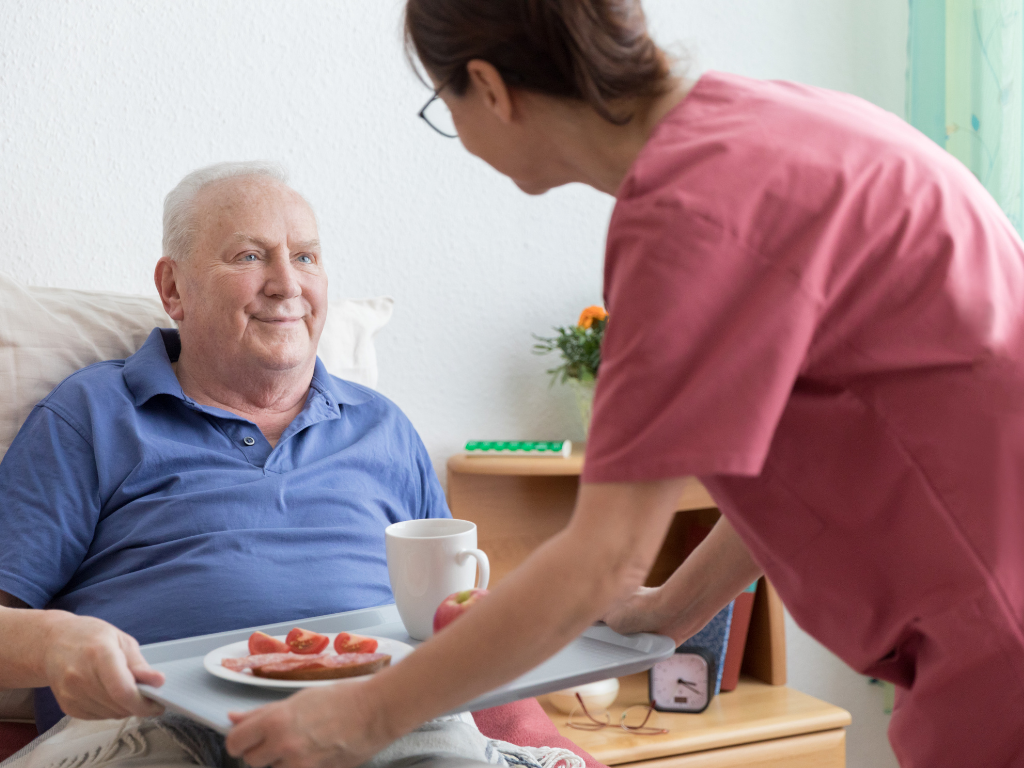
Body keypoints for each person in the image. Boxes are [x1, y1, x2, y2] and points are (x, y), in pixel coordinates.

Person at [224, 3, 1024, 768]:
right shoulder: (782, 126)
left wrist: (362, 716)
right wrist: (673, 607)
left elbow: (602, 556)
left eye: (446, 105)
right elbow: (804, 445)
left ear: (493, 89)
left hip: (998, 635)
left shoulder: (689, 217)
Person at [0, 162, 485, 764]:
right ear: (174, 288)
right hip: (162, 727)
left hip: (383, 721)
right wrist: (51, 642)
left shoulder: (382, 427)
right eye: (250, 257)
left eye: (306, 257)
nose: (287, 284)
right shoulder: (92, 414)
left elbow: (455, 611)